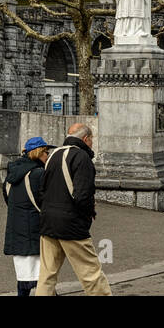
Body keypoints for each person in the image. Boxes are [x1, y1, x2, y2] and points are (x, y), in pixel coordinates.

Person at [36, 122, 112, 296]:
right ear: (86, 139)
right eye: (92, 139)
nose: (92, 143)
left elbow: (42, 191)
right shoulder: (82, 158)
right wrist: (87, 215)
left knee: (47, 275)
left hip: (48, 222)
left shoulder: (53, 155)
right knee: (90, 274)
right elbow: (83, 195)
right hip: (70, 223)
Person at [3, 136, 49, 296]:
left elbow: (8, 200)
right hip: (35, 229)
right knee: (43, 277)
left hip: (16, 229)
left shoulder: (11, 175)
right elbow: (46, 202)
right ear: (38, 153)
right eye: (46, 152)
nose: (48, 155)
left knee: (24, 277)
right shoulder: (38, 174)